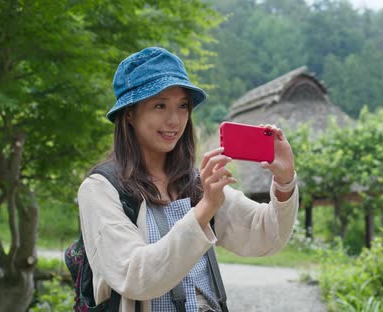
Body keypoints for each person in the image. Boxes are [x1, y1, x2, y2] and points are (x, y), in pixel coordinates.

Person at [78, 47, 299, 312]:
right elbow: (136, 275)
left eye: (182, 106)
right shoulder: (101, 189)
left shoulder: (194, 182)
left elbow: (266, 235)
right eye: (160, 105)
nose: (174, 120)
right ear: (129, 114)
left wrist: (285, 181)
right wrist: (205, 209)